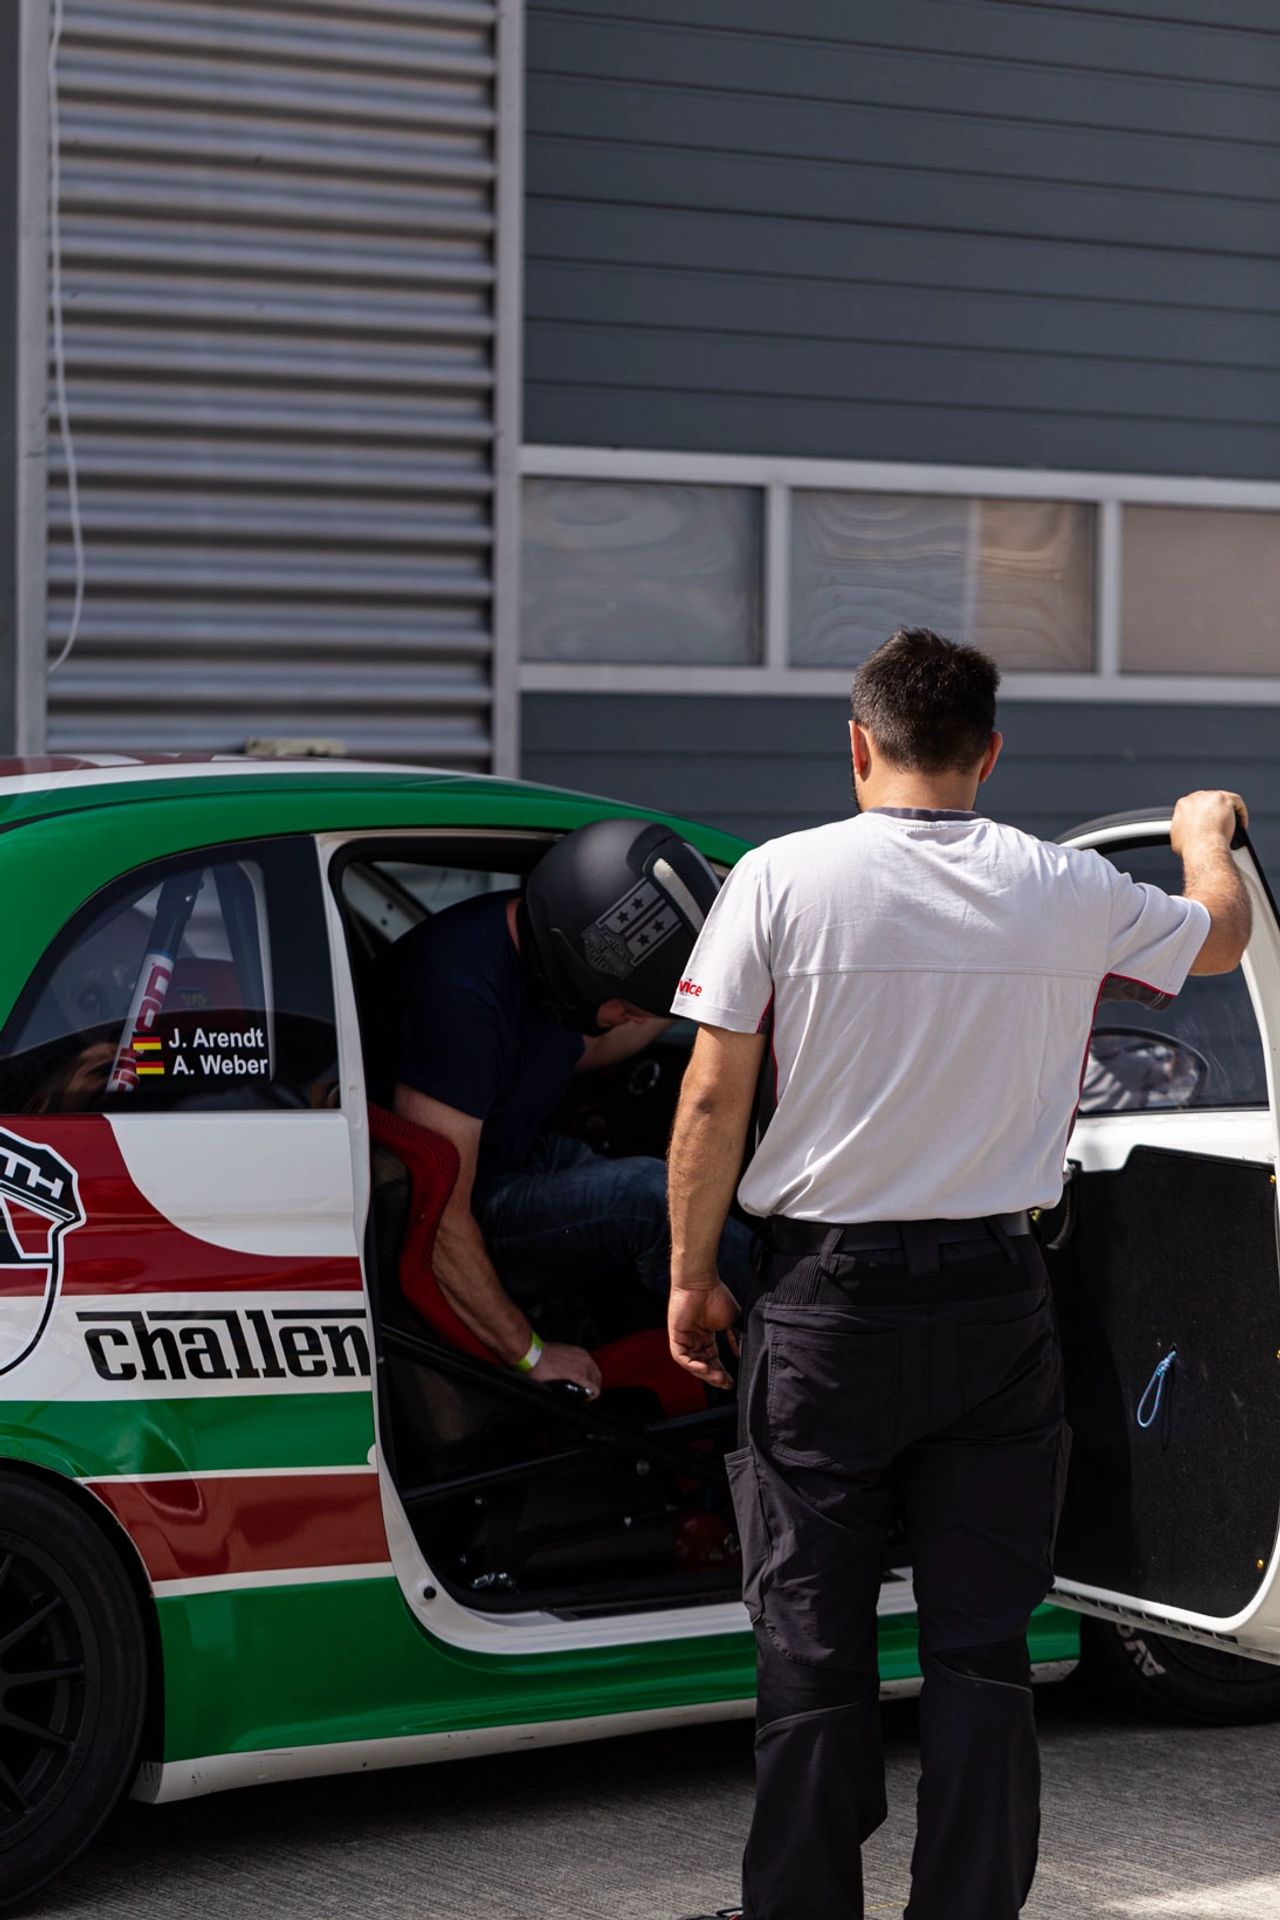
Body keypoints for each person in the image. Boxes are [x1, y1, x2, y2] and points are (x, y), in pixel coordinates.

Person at [664, 627, 1251, 1920]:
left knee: (810, 1640)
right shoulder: (1061, 887)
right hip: (996, 1308)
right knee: (982, 1653)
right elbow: (1216, 940)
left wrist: (691, 1275)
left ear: (859, 745)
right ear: (990, 754)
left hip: (825, 1312)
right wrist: (1205, 830)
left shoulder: (776, 879)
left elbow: (712, 1098)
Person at [393, 816, 755, 1398]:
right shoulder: (458, 1000)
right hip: (466, 1214)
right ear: (583, 971)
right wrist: (530, 1353)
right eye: (627, 1005)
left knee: (665, 1178)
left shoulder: (541, 974)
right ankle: (805, 1353)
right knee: (648, 1202)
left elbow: (585, 1048)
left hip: (514, 1156)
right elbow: (434, 1221)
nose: (636, 1019)